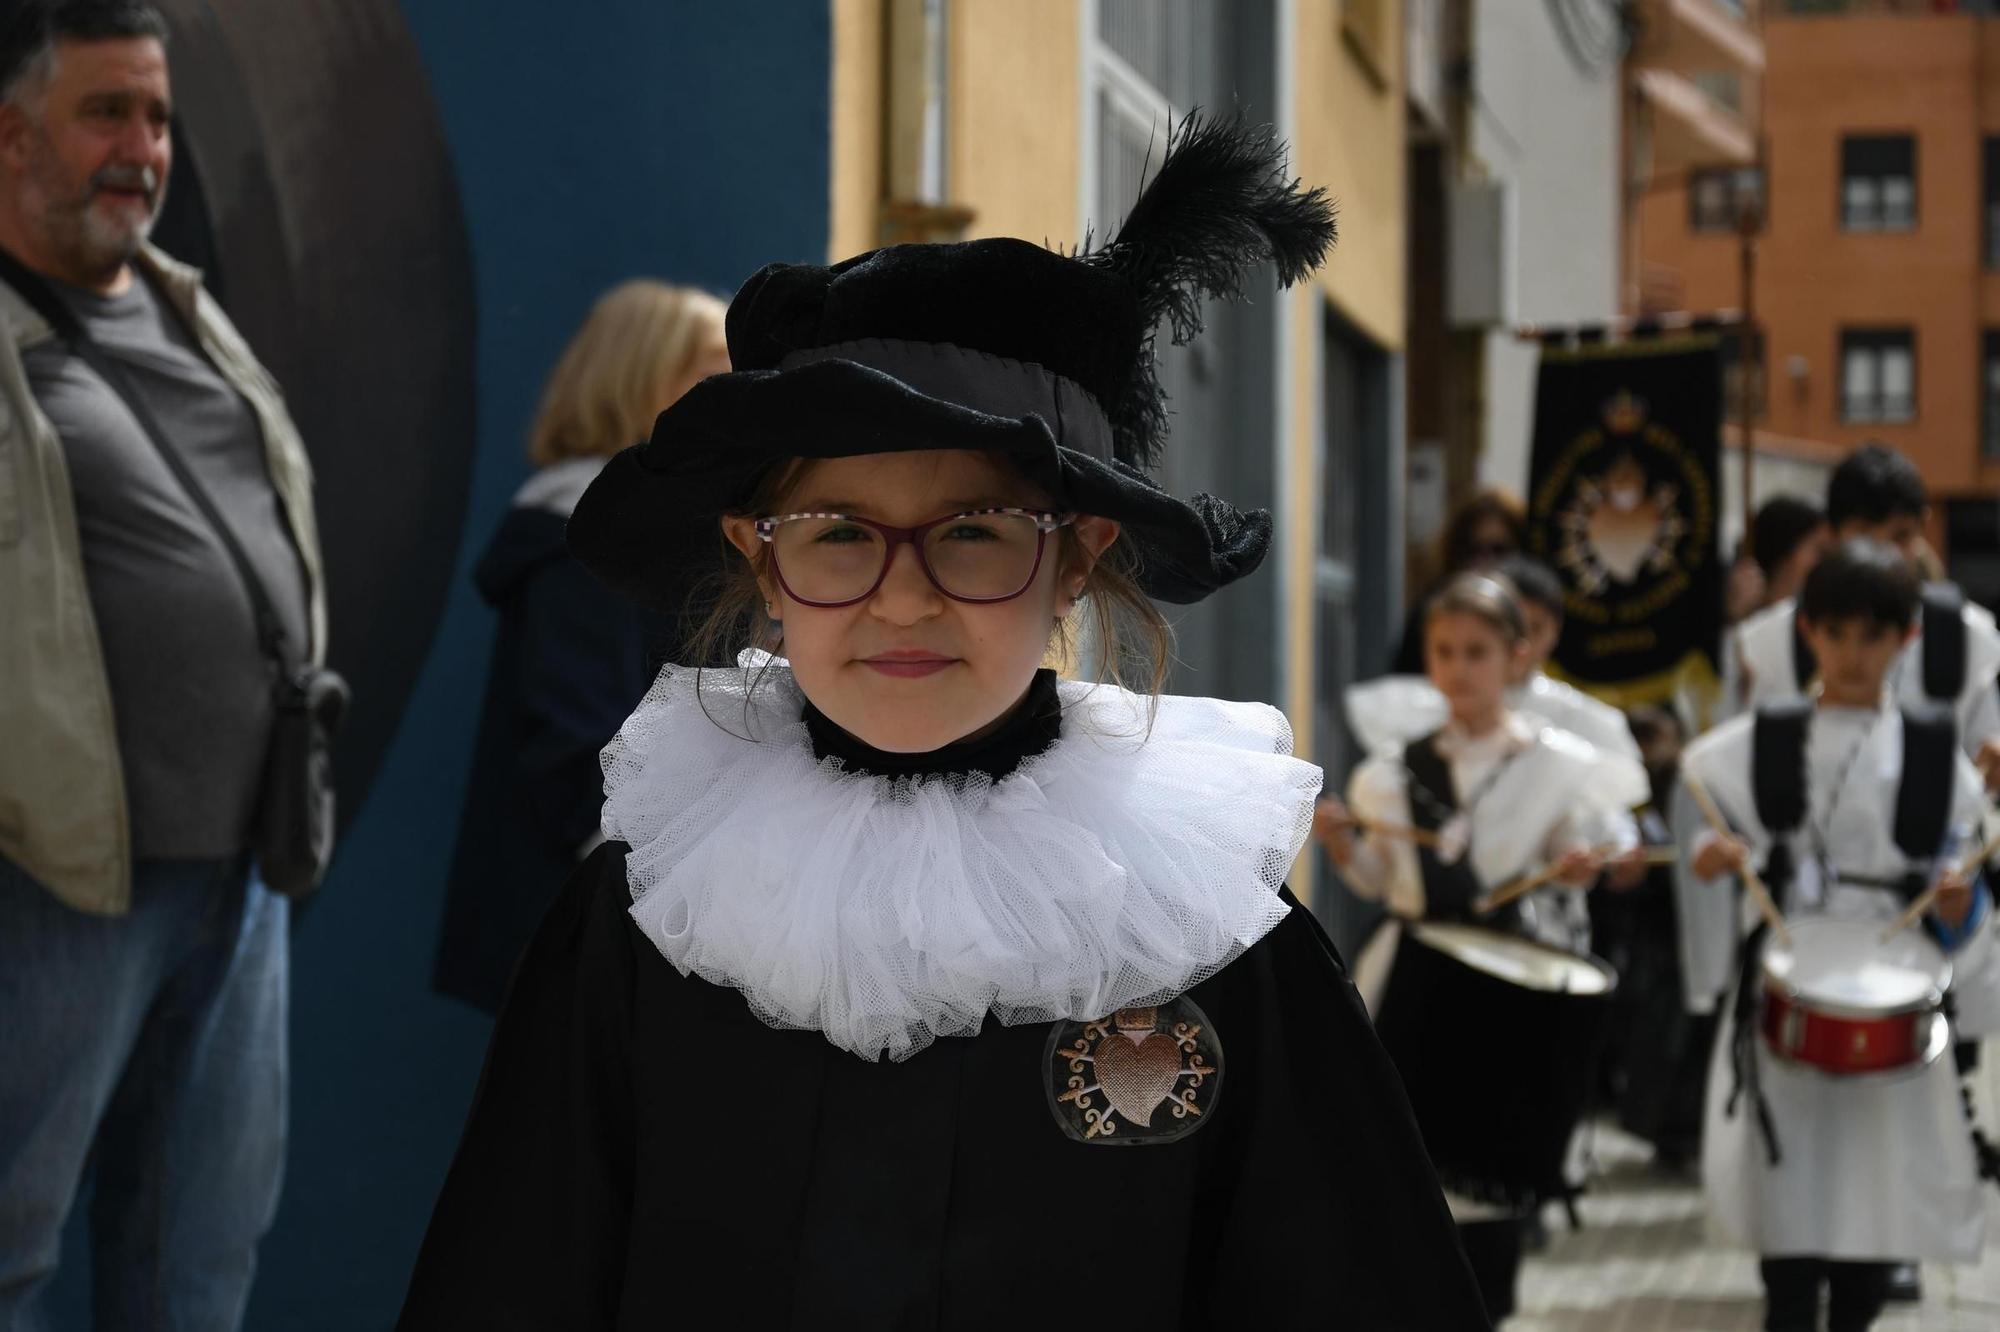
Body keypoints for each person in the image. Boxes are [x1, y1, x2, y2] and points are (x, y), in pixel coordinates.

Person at [397, 115, 1491, 1329]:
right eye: (838, 533)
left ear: (1078, 562)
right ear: (759, 565)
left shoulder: (1210, 941)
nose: (901, 595)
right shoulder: (647, 924)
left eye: (974, 531)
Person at [0, 3, 325, 1328]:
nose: (142, 146)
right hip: (51, 877)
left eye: (158, 116)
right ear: (12, 136)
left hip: (240, 875)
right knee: (10, 1242)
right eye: (105, 112)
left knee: (200, 1257)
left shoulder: (190, 314)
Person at [1678, 539, 1995, 1332]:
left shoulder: (1933, 753)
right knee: (1791, 1194)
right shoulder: (1759, 742)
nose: (1854, 654)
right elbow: (1708, 831)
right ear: (1807, 632)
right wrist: (1714, 859)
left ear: (1907, 640)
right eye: (1837, 633)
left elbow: (1960, 898)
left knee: (1876, 1199)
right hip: (1786, 981)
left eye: (1875, 636)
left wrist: (1956, 897)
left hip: (1897, 986)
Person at [1316, 573, 1640, 1323]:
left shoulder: (1559, 766)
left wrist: (1578, 861)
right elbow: (1378, 882)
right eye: (1443, 651)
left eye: (1477, 652)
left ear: (1517, 655)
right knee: (1410, 1167)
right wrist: (1342, 850)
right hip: (1415, 976)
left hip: (1510, 987)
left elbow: (1574, 849)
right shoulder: (1389, 777)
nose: (1458, 668)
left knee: (1494, 1178)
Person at [433, 279, 728, 1014]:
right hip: (604, 927)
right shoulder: (589, 536)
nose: (736, 394)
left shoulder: (683, 534)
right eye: (711, 370)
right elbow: (577, 747)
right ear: (638, 382)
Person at [1734, 444, 2000, 788]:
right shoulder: (1773, 642)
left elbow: (1985, 761)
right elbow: (1745, 773)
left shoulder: (1966, 639)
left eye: (1900, 536)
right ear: (1830, 533)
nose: (1882, 554)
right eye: (1863, 533)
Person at [1390, 488, 1527, 675]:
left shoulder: (1534, 608)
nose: (1459, 670)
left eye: (1499, 550)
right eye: (1444, 652)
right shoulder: (1433, 608)